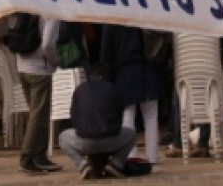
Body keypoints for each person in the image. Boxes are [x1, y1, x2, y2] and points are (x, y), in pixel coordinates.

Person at [100, 24, 164, 165]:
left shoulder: (112, 18)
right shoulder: (144, 11)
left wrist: (108, 75)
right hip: (148, 69)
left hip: (124, 71)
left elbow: (106, 51)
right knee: (151, 116)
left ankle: (130, 156)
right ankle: (152, 157)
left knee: (127, 116)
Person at [58, 62, 136, 179]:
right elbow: (119, 119)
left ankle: (83, 165)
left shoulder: (80, 90)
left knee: (62, 137)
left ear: (90, 76)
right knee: (132, 134)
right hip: (110, 141)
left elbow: (74, 118)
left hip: (84, 141)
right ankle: (115, 164)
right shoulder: (116, 90)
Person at [16, 13, 62, 175]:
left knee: (38, 114)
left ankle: (40, 156)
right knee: (38, 115)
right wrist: (54, 62)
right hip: (39, 69)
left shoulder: (27, 8)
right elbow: (48, 44)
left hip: (22, 67)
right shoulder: (51, 13)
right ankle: (27, 158)